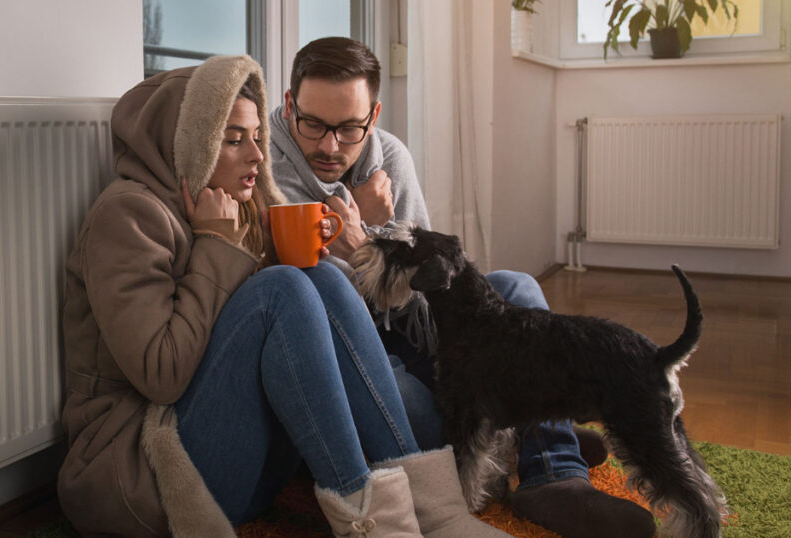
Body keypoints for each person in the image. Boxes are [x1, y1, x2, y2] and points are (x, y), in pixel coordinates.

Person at [56, 55, 508, 537]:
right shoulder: (128, 216)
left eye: (256, 137)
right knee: (282, 289)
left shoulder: (242, 206)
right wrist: (215, 246)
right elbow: (163, 377)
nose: (257, 154)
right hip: (147, 476)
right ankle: (375, 525)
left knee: (319, 276)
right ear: (184, 145)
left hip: (240, 465)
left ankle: (435, 512)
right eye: (233, 140)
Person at [270, 37, 657, 538]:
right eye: (314, 124)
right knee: (431, 425)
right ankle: (525, 431)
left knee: (514, 289)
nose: (329, 146)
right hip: (350, 354)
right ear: (288, 104)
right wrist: (362, 222)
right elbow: (311, 309)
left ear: (374, 114)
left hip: (411, 330)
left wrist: (368, 243)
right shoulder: (269, 175)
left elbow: (430, 298)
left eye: (349, 128)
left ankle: (554, 472)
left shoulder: (390, 156)